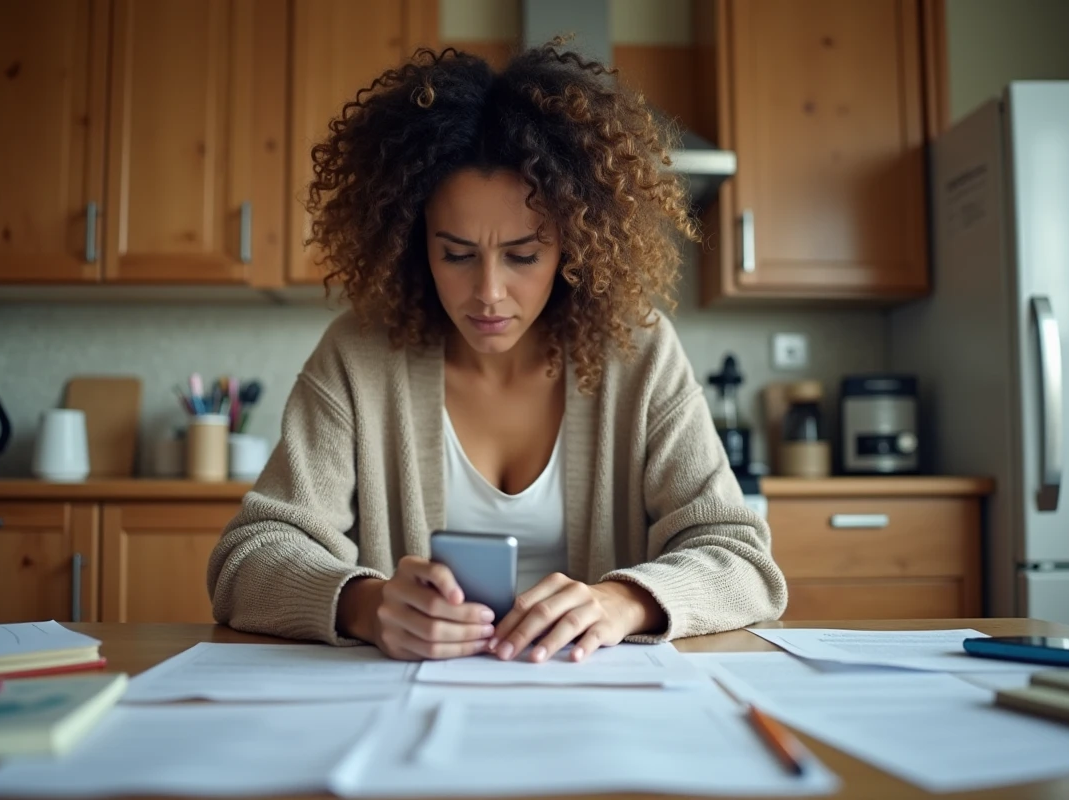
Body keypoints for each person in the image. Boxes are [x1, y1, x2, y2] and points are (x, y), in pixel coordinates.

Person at [207, 40, 787, 663]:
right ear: (412, 241)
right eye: (456, 254)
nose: (487, 293)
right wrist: (367, 606)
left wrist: (623, 601)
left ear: (572, 245)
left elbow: (743, 560)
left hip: (600, 711)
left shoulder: (637, 351)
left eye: (522, 255)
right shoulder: (360, 354)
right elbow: (249, 557)